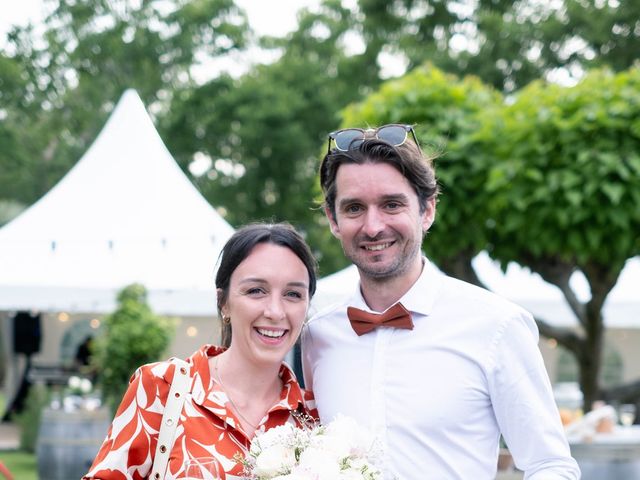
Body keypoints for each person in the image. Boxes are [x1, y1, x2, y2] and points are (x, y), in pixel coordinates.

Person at [302, 124, 580, 479]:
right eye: (354, 208)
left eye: (391, 204)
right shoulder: (315, 336)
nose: (373, 227)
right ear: (332, 219)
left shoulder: (496, 325)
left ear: (427, 210)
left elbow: (550, 465)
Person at [84, 223, 318, 479]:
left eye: (293, 294)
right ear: (223, 303)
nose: (275, 311)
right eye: (256, 291)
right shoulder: (162, 388)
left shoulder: (315, 415)